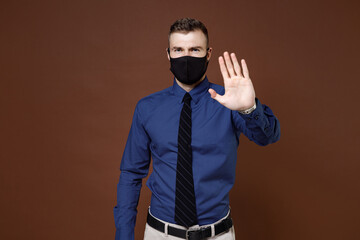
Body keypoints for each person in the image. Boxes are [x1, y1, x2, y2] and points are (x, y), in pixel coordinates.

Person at [114, 18, 280, 240]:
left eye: (195, 49)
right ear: (168, 54)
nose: (186, 56)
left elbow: (267, 137)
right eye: (178, 49)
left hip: (217, 234)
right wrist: (123, 235)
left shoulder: (228, 102)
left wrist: (249, 108)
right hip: (160, 234)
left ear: (208, 53)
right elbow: (131, 174)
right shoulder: (147, 108)